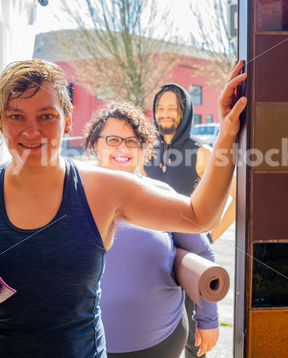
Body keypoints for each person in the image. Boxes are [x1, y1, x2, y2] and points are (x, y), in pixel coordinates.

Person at [0, 59, 246, 357]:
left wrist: (227, 132)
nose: (31, 131)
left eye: (46, 116)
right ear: (1, 121)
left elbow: (201, 215)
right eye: (16, 116)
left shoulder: (103, 189)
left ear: (68, 121)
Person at [83, 101, 218, 357]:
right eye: (112, 139)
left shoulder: (161, 194)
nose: (122, 148)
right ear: (95, 143)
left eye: (132, 141)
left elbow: (204, 254)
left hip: (163, 341)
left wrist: (208, 320)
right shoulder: (73, 196)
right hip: (90, 343)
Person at [143, 80, 237, 358]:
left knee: (193, 338)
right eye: (161, 107)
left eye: (173, 108)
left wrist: (211, 234)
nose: (166, 113)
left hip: (190, 256)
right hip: (155, 255)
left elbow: (239, 197)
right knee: (157, 331)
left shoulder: (202, 152)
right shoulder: (147, 152)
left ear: (185, 113)